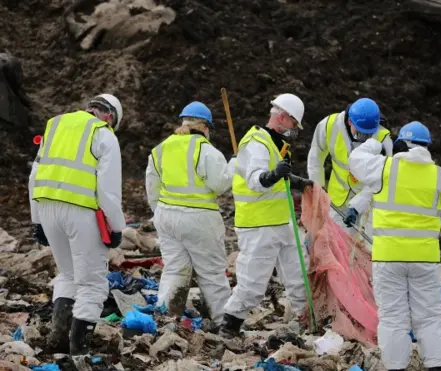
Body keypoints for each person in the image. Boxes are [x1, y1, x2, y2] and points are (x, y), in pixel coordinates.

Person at [349, 121, 441, 371]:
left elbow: (355, 160)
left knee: (393, 318)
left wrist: (377, 141)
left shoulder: (386, 167)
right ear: (427, 146)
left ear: (402, 144)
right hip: (425, 258)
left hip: (389, 257)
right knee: (430, 316)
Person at [29, 93, 126, 355]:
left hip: (47, 207)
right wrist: (116, 227)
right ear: (110, 116)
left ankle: (58, 337)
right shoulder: (103, 133)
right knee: (92, 284)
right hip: (81, 212)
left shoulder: (55, 125)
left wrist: (36, 219)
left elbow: (35, 173)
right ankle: (79, 353)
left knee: (68, 275)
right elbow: (108, 191)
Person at [220, 93, 314, 338]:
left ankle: (307, 320)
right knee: (253, 282)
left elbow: (278, 178)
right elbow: (256, 180)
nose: (295, 130)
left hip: (283, 223)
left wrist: (295, 181)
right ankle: (229, 325)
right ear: (282, 117)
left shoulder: (277, 143)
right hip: (259, 225)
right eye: (294, 124)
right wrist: (273, 175)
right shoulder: (257, 143)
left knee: (299, 274)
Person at [146, 101, 235, 331]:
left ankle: (165, 318)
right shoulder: (205, 150)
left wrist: (160, 214)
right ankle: (224, 322)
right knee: (212, 273)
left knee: (175, 269)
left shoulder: (161, 148)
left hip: (166, 216)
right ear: (206, 127)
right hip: (199, 219)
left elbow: (151, 186)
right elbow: (220, 184)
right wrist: (234, 166)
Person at [307, 98, 393, 248]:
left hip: (369, 198)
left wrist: (357, 205)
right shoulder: (329, 125)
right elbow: (315, 158)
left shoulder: (384, 139)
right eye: (360, 133)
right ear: (349, 122)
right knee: (336, 244)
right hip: (338, 196)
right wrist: (317, 189)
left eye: (368, 134)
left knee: (370, 247)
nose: (364, 138)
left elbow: (382, 179)